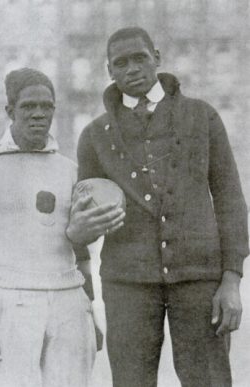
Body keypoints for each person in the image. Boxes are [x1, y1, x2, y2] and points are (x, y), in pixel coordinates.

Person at [67, 27, 249, 387]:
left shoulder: (203, 117)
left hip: (200, 279)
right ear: (109, 71)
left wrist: (232, 280)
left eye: (140, 58)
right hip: (127, 283)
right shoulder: (94, 136)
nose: (132, 68)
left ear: (157, 58)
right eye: (121, 63)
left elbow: (230, 199)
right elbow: (83, 210)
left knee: (208, 380)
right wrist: (83, 228)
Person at [0, 67, 124, 387]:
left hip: (70, 305)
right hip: (10, 304)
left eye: (46, 107)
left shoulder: (70, 171)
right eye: (28, 106)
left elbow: (80, 251)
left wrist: (89, 309)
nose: (38, 114)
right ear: (10, 111)